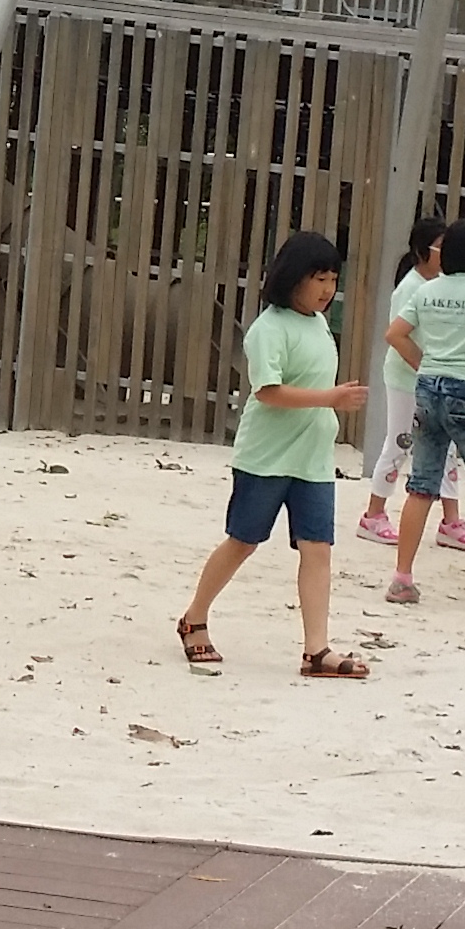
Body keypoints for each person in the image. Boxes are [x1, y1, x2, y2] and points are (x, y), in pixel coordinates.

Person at [179, 231, 373, 679]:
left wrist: (329, 404)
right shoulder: (268, 328)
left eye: (332, 279)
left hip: (314, 460)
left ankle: (317, 651)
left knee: (318, 549)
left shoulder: (319, 323)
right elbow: (268, 392)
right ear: (291, 278)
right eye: (318, 279)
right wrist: (330, 398)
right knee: (243, 541)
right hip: (266, 457)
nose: (327, 290)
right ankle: (195, 617)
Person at [377, 220, 465, 603]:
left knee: (421, 485)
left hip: (429, 387)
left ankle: (402, 577)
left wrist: (424, 364)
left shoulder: (427, 290)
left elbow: (394, 334)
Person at [358, 215, 465, 552]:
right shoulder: (410, 288)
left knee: (448, 448)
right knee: (399, 442)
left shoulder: (439, 285)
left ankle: (451, 521)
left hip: (432, 380)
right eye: (441, 247)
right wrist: (426, 367)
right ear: (422, 251)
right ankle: (374, 513)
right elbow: (398, 336)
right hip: (406, 379)